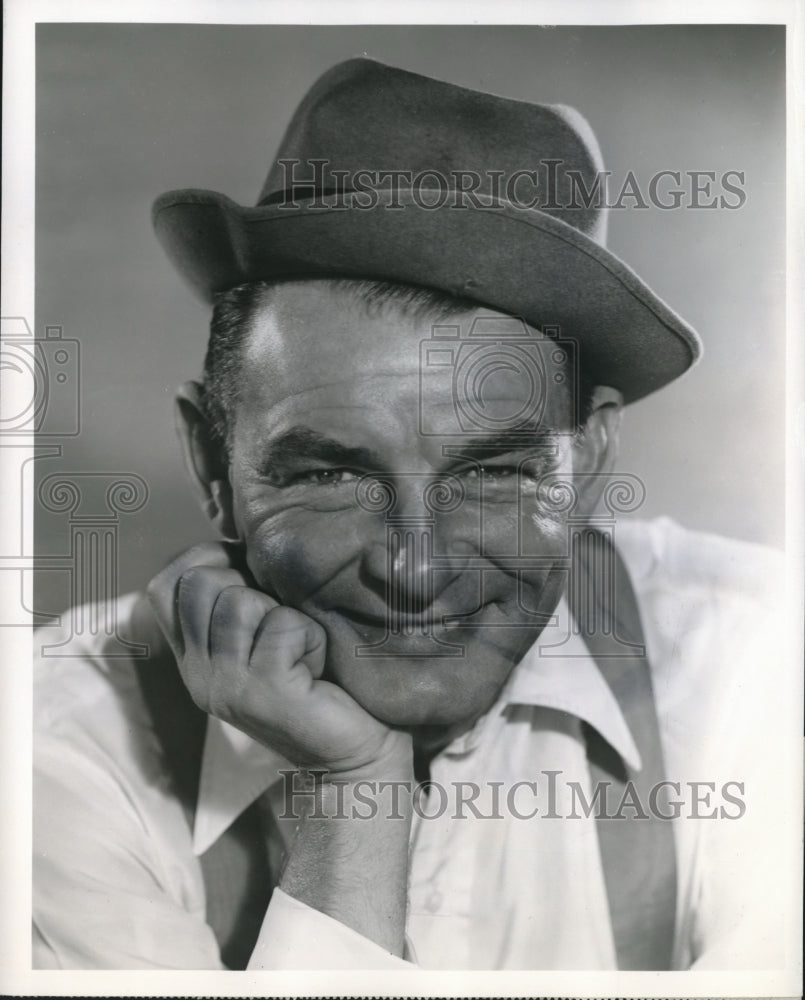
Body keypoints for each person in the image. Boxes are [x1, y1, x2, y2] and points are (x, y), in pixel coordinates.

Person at [33, 57, 786, 971]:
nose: (415, 569)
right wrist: (356, 792)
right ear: (211, 463)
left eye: (493, 473)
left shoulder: (759, 663)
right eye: (330, 477)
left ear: (587, 463)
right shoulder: (51, 752)